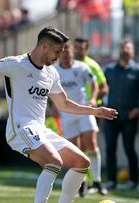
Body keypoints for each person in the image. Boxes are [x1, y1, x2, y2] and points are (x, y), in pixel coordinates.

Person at [0, 27, 118, 203]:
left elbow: (64, 104)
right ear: (44, 46)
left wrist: (95, 111)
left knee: (81, 162)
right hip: (19, 128)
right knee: (54, 162)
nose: (60, 56)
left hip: (40, 129)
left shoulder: (51, 73)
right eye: (57, 51)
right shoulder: (16, 64)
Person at [54, 42, 107, 196]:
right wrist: (52, 105)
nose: (65, 54)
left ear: (72, 52)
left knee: (91, 143)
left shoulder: (82, 67)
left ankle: (97, 181)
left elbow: (94, 82)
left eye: (68, 51)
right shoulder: (54, 71)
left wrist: (93, 99)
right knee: (74, 150)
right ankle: (82, 183)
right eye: (62, 51)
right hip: (66, 114)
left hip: (84, 110)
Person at [104, 39, 139, 190]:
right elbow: (101, 88)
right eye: (123, 47)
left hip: (129, 117)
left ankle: (133, 181)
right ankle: (111, 180)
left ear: (133, 52)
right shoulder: (109, 69)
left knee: (129, 148)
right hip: (111, 115)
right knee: (110, 148)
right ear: (119, 50)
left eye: (129, 48)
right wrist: (101, 105)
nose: (125, 50)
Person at [74, 37, 108, 106]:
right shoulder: (67, 65)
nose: (77, 51)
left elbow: (104, 89)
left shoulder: (93, 66)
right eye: (75, 47)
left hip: (92, 108)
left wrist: (92, 100)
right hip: (73, 108)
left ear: (86, 50)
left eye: (80, 48)